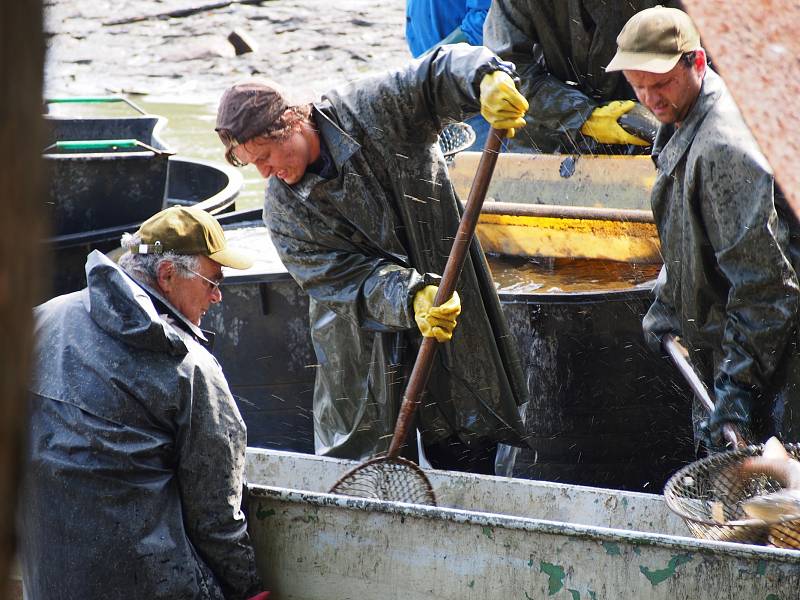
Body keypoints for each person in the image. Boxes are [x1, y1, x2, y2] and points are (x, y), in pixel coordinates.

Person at [215, 45, 531, 474]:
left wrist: (483, 78)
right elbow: (337, 279)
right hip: (359, 345)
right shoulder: (283, 210)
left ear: (291, 123)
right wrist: (410, 295)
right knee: (365, 468)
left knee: (467, 444)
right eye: (254, 165)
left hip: (450, 299)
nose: (266, 174)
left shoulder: (371, 109)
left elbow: (434, 73)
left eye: (266, 158)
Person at [18, 207, 269, 599]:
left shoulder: (42, 319)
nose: (218, 297)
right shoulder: (190, 367)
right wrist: (249, 589)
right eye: (212, 281)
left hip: (47, 580)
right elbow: (215, 517)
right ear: (167, 275)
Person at [605, 6, 800, 449]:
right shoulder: (680, 120)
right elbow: (693, 238)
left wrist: (736, 394)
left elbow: (767, 288)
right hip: (734, 347)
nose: (651, 100)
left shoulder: (723, 148)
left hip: (777, 360)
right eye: (639, 87)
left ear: (697, 61)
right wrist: (668, 299)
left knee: (767, 498)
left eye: (662, 84)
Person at [483, 0, 679, 154]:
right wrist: (586, 116)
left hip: (648, 128)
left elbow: (693, 59)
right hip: (550, 135)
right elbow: (509, 68)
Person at [404, 0, 493, 151]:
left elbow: (486, 22)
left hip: (476, 94)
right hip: (434, 86)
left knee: (477, 168)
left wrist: (425, 64)